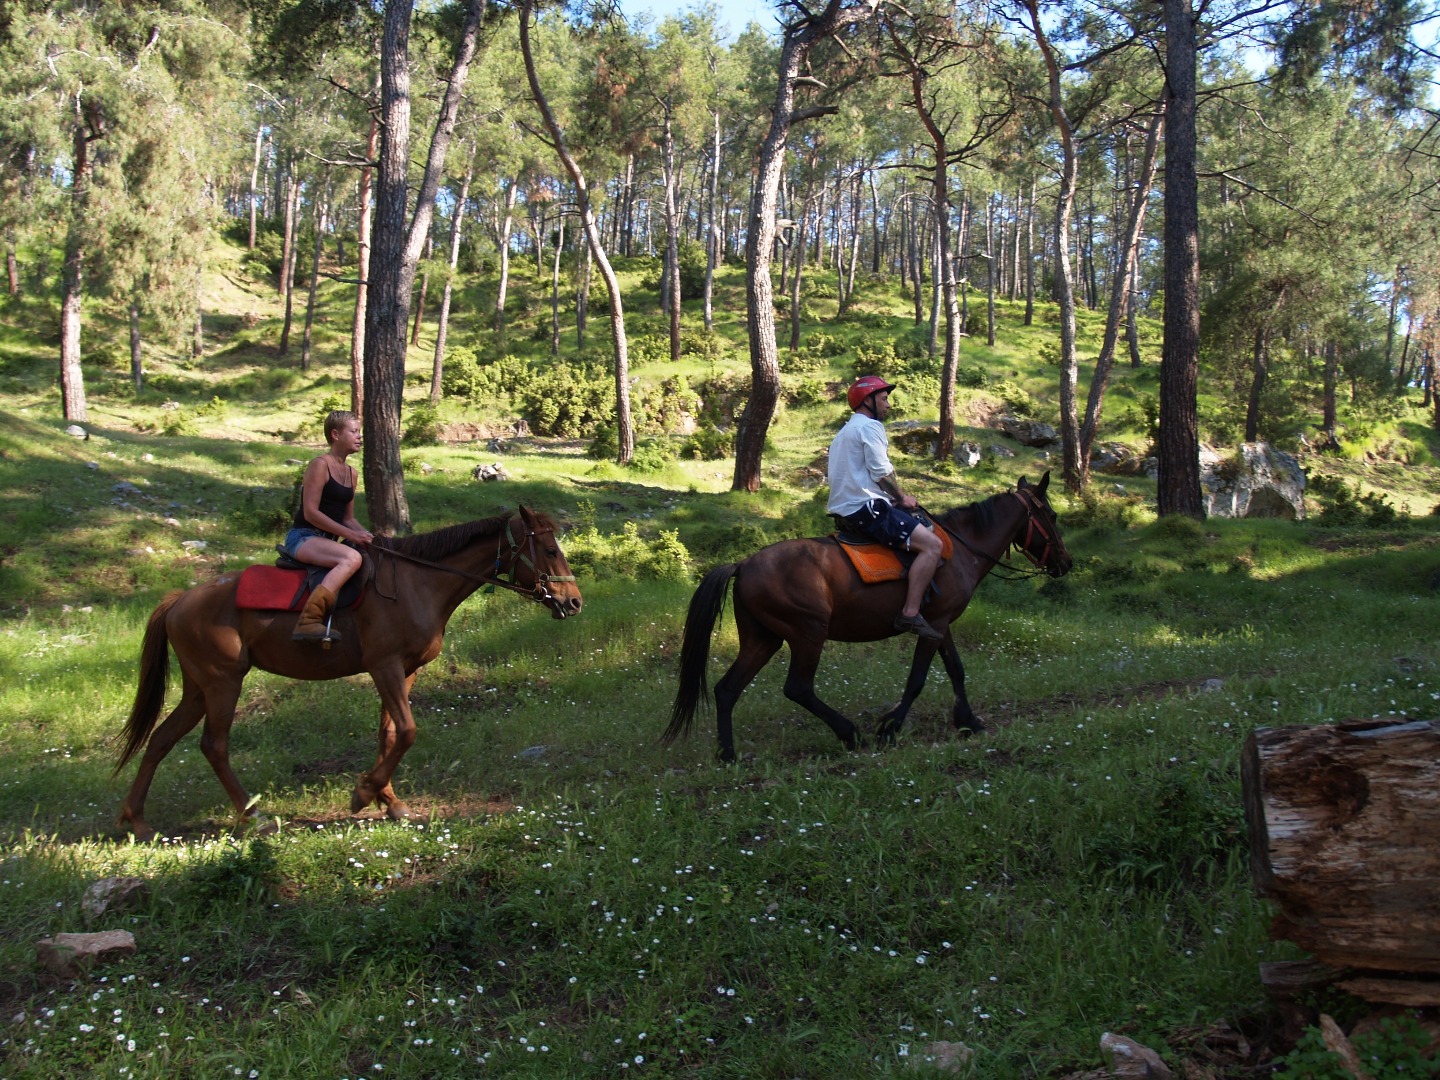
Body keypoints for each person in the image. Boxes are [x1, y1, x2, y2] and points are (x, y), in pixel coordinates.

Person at [827, 376, 945, 641]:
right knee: (933, 546)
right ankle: (910, 613)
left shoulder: (844, 432)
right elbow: (881, 472)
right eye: (884, 399)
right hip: (868, 510)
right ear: (867, 401)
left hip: (847, 511)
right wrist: (901, 497)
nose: (888, 405)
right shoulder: (869, 427)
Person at [280, 410, 374, 643]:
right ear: (335, 434)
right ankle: (309, 621)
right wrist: (350, 535)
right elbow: (311, 513)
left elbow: (348, 518)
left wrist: (368, 536)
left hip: (328, 542)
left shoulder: (352, 474)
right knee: (351, 559)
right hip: (303, 538)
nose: (359, 437)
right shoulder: (320, 465)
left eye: (359, 432)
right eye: (353, 431)